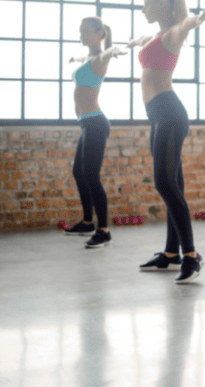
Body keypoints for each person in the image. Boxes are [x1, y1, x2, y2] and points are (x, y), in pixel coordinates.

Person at [127, 0, 205, 284]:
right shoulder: (156, 36)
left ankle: (190, 255)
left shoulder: (174, 32)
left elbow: (185, 26)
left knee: (165, 182)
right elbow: (145, 41)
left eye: (147, 3)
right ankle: (170, 253)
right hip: (158, 116)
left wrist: (198, 18)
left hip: (169, 114)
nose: (143, 9)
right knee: (172, 182)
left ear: (164, 3)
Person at [64, 17, 124, 248]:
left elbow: (105, 56)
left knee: (90, 175)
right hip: (87, 123)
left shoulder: (100, 58)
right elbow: (88, 60)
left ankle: (103, 230)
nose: (81, 35)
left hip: (96, 123)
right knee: (79, 172)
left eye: (86, 31)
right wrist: (77, 58)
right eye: (80, 31)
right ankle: (88, 221)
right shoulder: (89, 58)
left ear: (100, 34)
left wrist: (113, 51)